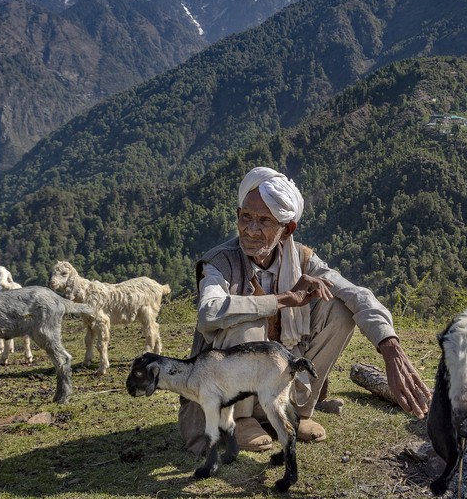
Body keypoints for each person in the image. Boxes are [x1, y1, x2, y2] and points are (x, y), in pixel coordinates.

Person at [179, 166, 432, 454]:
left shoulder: (302, 259)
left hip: (278, 383)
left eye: (264, 221)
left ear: (287, 229)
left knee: (338, 308)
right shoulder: (220, 262)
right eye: (245, 217)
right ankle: (242, 418)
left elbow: (357, 294)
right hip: (224, 394)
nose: (250, 229)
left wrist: (389, 346)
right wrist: (283, 298)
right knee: (245, 318)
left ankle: (295, 411)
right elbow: (209, 311)